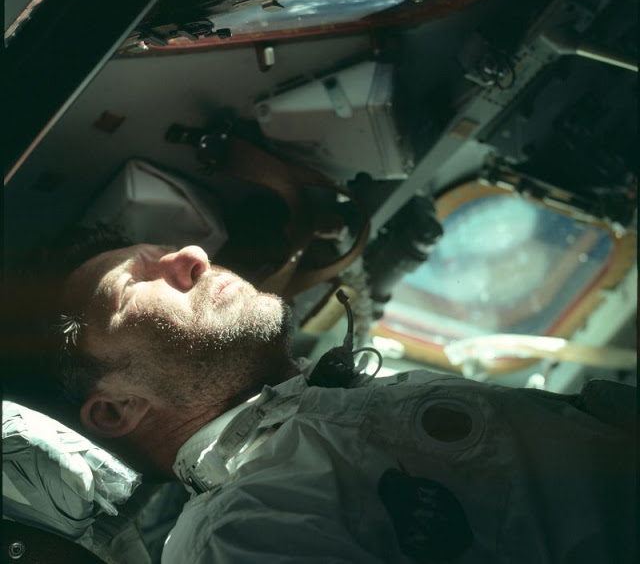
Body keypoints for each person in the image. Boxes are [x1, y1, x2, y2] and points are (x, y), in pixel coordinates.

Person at [5, 226, 637, 563]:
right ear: (117, 409)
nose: (192, 255)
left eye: (166, 250)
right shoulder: (242, 534)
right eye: (137, 282)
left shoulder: (344, 410)